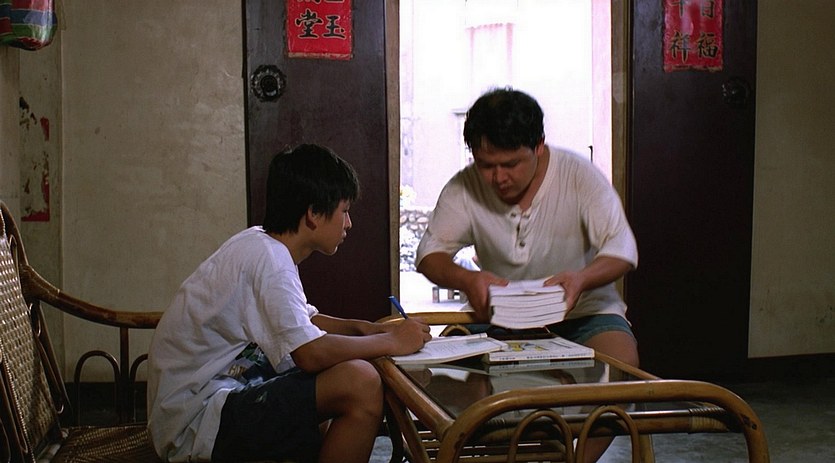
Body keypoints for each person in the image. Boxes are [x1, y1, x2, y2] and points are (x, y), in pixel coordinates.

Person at [147, 144, 431, 463]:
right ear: (313, 214)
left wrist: (366, 329)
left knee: (339, 370)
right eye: (344, 211)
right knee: (359, 381)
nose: (349, 223)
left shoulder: (261, 244)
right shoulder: (270, 260)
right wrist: (391, 341)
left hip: (208, 400)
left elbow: (303, 323)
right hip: (195, 421)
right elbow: (309, 353)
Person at [415, 88, 639, 461]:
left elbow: (621, 250)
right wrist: (468, 280)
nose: (498, 177)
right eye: (486, 165)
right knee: (442, 380)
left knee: (621, 374)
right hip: (499, 314)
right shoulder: (465, 186)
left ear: (538, 146)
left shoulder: (577, 175)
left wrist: (581, 279)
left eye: (511, 164)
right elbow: (429, 255)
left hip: (584, 312)